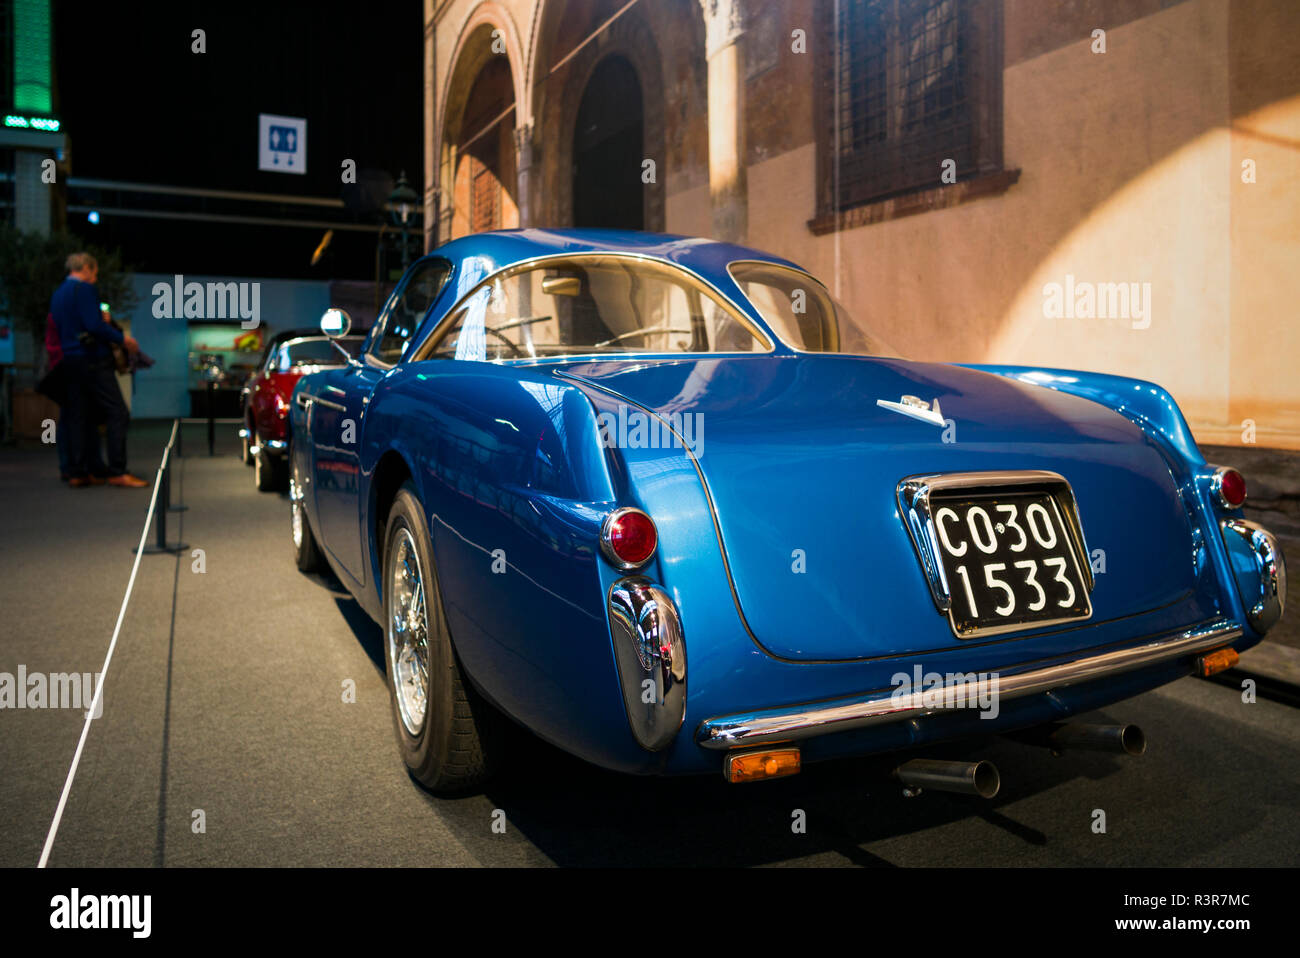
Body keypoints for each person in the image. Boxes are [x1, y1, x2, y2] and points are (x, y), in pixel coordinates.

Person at [49, 252, 148, 488]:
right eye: (94, 273)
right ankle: (117, 470)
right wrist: (123, 339)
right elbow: (93, 326)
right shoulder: (84, 289)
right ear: (86, 269)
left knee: (78, 415)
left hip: (69, 360)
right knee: (118, 412)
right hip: (92, 358)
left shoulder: (58, 293)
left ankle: (77, 471)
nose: (95, 278)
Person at [40, 311, 109, 482]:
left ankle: (76, 466)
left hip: (67, 366)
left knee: (74, 417)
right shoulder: (64, 313)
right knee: (74, 418)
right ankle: (77, 467)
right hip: (70, 367)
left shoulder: (59, 311)